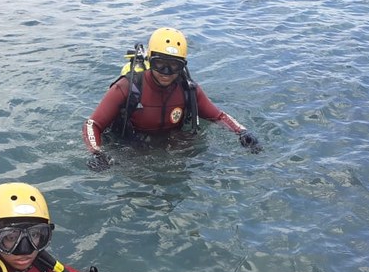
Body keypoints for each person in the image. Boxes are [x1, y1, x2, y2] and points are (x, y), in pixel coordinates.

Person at [83, 27, 262, 169]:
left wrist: (243, 132)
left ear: (182, 66)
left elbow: (218, 116)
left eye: (174, 66)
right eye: (160, 64)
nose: (166, 73)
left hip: (172, 144)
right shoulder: (127, 88)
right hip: (131, 145)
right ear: (150, 60)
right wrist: (97, 153)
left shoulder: (188, 90)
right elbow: (93, 124)